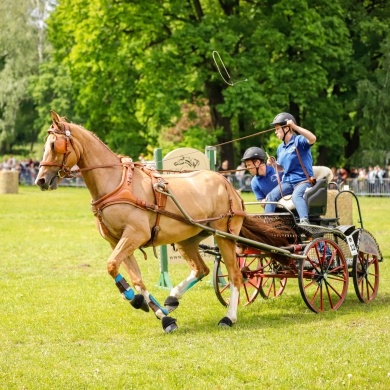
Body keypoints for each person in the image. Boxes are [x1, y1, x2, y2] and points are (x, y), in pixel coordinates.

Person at [265, 112, 316, 224]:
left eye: (277, 128)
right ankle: (266, 223)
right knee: (271, 196)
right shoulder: (280, 148)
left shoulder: (299, 140)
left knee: (296, 195)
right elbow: (282, 168)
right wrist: (273, 164)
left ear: (287, 128)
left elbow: (313, 138)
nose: (275, 131)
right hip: (287, 182)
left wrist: (295, 127)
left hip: (303, 181)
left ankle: (304, 222)